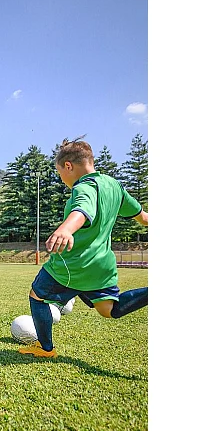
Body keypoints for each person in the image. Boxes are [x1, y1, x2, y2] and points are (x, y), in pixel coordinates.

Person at [19, 136, 148, 358]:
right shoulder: (114, 186)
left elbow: (82, 209)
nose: (61, 178)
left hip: (72, 265)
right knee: (109, 310)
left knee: (37, 296)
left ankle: (46, 349)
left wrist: (66, 229)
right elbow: (143, 218)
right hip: (101, 267)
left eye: (60, 172)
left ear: (68, 166)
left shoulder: (84, 187)